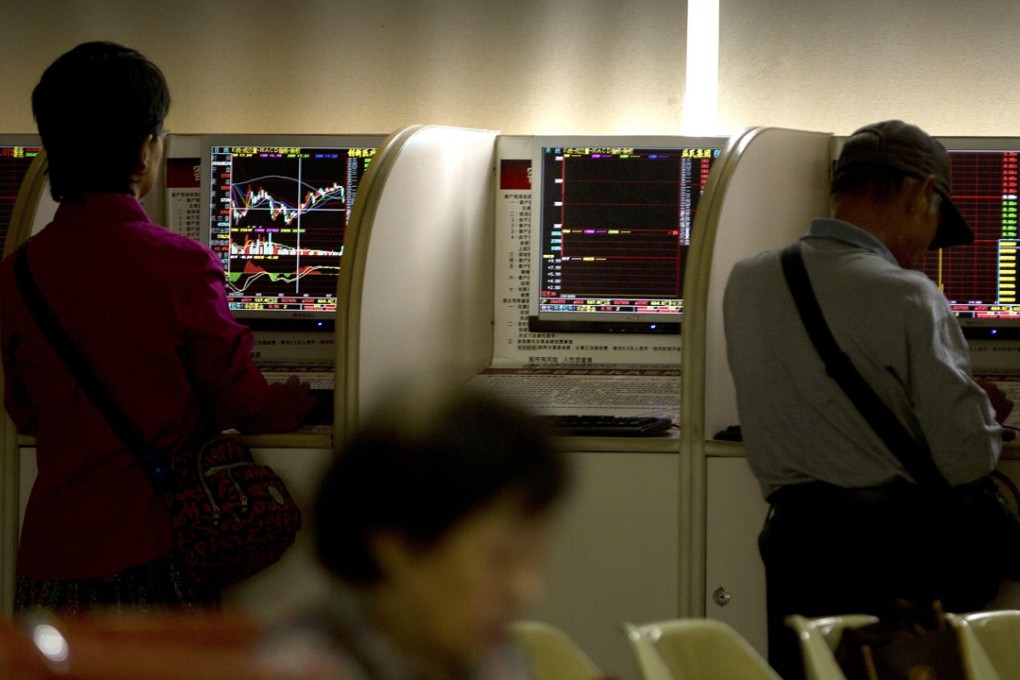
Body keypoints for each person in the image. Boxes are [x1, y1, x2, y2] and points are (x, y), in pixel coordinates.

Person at [0, 41, 314, 613]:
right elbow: (242, 400)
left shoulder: (16, 274)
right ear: (144, 151)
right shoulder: (178, 264)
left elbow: (25, 408)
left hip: (49, 561)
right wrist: (301, 402)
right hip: (151, 555)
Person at [723, 119, 1014, 679]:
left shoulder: (748, 279)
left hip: (793, 548)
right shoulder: (909, 294)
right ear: (919, 192)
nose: (929, 243)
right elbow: (966, 459)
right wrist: (983, 414)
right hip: (891, 560)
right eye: (936, 220)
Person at [253, 382, 572, 680]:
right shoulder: (297, 668)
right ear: (397, 546)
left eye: (535, 558)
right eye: (500, 558)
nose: (527, 590)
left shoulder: (491, 657)